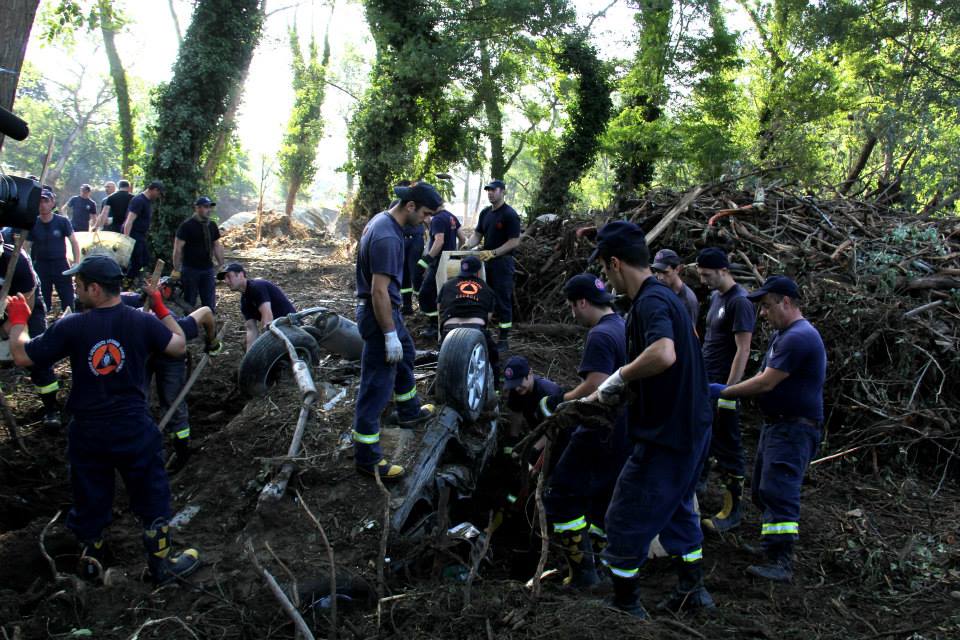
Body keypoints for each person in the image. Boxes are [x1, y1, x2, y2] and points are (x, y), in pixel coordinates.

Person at [7, 254, 200, 585]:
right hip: (133, 428)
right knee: (151, 492)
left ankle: (92, 558)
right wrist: (160, 307)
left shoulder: (72, 326)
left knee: (90, 494)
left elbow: (23, 354)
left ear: (94, 289)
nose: (74, 288)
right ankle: (161, 564)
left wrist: (19, 320)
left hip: (89, 431)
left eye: (78, 284)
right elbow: (179, 346)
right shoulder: (142, 322)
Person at [588, 220, 714, 618]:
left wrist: (619, 376)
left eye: (605, 270)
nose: (606, 279)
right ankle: (693, 591)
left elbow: (663, 354)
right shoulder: (666, 299)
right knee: (677, 509)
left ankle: (625, 607)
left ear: (615, 262)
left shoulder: (650, 302)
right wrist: (617, 391)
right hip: (691, 426)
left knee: (624, 516)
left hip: (667, 435)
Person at [710, 276, 825, 583]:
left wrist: (724, 392)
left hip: (794, 428)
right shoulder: (783, 335)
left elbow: (766, 381)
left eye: (766, 306)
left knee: (779, 490)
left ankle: (780, 560)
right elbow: (763, 376)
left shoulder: (798, 337)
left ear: (786, 302)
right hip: (778, 425)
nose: (762, 314)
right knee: (763, 486)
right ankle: (769, 546)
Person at [541, 274, 628, 591]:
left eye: (571, 306)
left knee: (561, 495)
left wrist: (560, 401)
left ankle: (583, 576)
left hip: (597, 428)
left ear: (582, 302)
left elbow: (596, 384)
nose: (572, 314)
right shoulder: (622, 325)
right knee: (599, 501)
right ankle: (601, 565)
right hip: (621, 430)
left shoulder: (601, 336)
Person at [352, 182, 442, 481]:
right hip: (380, 314)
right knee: (376, 386)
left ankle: (409, 411)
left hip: (387, 312)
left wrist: (396, 332)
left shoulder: (381, 219)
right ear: (411, 206)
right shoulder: (388, 237)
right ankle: (367, 458)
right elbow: (378, 291)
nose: (428, 221)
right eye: (427, 214)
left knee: (406, 356)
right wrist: (388, 334)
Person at [121, 289, 222, 470]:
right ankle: (138, 444)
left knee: (173, 400)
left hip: (171, 356)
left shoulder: (177, 329)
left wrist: (212, 341)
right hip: (140, 351)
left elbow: (206, 312)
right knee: (136, 398)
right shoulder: (127, 319)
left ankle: (182, 451)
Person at [696, 247, 755, 533]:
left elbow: (743, 349)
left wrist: (730, 391)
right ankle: (697, 493)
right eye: (701, 274)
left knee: (729, 447)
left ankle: (733, 511)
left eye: (707, 274)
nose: (704, 280)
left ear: (723, 270)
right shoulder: (716, 297)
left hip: (724, 387)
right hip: (706, 383)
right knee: (703, 440)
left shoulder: (739, 301)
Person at [0, 236, 61, 429]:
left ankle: (51, 408)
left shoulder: (17, 261)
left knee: (35, 354)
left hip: (24, 307)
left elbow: (27, 304)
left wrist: (3, 331)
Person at [464, 179, 522, 352]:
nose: (490, 192)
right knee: (482, 296)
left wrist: (495, 252)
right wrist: (468, 245)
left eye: (494, 190)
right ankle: (483, 331)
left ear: (503, 191)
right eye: (488, 190)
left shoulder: (510, 214)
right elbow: (477, 234)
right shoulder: (485, 213)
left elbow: (514, 241)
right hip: (485, 261)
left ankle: (504, 338)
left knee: (503, 299)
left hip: (503, 262)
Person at [25, 188, 81, 313]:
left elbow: (74, 242)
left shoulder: (62, 221)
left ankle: (71, 323)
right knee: (43, 300)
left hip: (60, 264)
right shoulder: (33, 223)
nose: (43, 205)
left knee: (68, 299)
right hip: (41, 266)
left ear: (52, 203)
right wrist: (27, 266)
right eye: (40, 202)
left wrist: (76, 263)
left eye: (46, 201)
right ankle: (45, 325)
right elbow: (25, 246)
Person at [437, 255, 498, 369]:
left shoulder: (447, 285)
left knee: (442, 362)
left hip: (450, 329)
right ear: (478, 271)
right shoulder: (486, 288)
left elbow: (440, 308)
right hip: (475, 327)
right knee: (492, 357)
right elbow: (488, 317)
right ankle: (496, 384)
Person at [218, 263, 296, 351]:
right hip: (277, 331)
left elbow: (267, 319)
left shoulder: (257, 287)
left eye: (228, 276)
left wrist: (264, 349)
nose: (226, 281)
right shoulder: (244, 301)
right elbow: (251, 329)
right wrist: (249, 357)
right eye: (225, 279)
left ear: (240, 275)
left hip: (292, 327)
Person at [418, 204, 465, 337]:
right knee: (444, 295)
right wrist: (457, 255)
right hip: (450, 262)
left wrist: (426, 260)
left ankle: (434, 326)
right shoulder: (452, 216)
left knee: (426, 294)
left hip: (438, 264)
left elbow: (439, 242)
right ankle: (445, 326)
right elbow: (462, 238)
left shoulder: (437, 219)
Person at [172, 196, 224, 312]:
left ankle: (210, 327)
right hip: (190, 269)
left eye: (210, 207)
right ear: (197, 208)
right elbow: (178, 248)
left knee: (209, 302)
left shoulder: (212, 225)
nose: (209, 209)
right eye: (206, 207)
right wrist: (176, 268)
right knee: (189, 301)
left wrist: (221, 264)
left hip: (207, 269)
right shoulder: (187, 226)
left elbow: (216, 245)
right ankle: (190, 326)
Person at [123, 180, 164, 283]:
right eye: (158, 193)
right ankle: (126, 283)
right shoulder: (139, 200)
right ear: (154, 190)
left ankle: (136, 280)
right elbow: (129, 221)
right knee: (137, 262)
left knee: (145, 259)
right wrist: (126, 240)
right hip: (133, 234)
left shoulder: (147, 201)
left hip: (140, 235)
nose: (158, 196)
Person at [651, 249, 699, 329]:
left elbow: (689, 335)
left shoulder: (688, 300)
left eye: (665, 272)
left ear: (677, 269)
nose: (660, 277)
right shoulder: (657, 287)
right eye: (658, 272)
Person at [400, 218, 425, 316]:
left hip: (416, 239)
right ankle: (406, 306)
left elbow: (427, 220)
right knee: (403, 274)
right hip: (401, 239)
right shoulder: (397, 204)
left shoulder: (418, 205)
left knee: (416, 273)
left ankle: (423, 305)